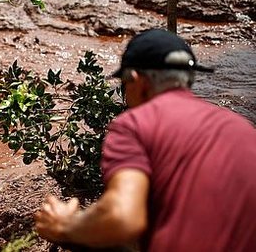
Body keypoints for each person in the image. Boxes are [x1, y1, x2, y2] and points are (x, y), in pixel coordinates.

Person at [34, 29, 256, 251]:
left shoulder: (136, 124)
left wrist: (66, 225)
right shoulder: (243, 129)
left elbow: (122, 218)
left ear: (136, 80)